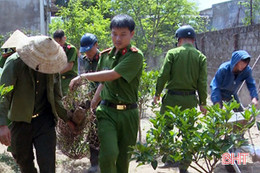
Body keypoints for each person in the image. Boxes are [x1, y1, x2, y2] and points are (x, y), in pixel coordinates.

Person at [69, 14, 144, 173]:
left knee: (124, 159)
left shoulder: (136, 56)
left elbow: (112, 75)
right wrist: (92, 106)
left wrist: (83, 76)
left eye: (123, 34)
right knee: (109, 154)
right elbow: (103, 84)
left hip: (129, 114)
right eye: (114, 34)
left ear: (132, 34)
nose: (117, 38)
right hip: (107, 112)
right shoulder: (105, 56)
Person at [0, 35, 76, 173]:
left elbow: (57, 97)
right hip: (20, 121)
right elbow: (3, 95)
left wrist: (67, 119)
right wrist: (2, 124)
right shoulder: (14, 63)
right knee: (24, 164)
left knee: (48, 166)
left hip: (44, 120)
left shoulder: (52, 66)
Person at [153, 25, 207, 173]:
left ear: (180, 39)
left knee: (166, 128)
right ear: (193, 40)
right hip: (190, 99)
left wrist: (157, 93)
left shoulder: (172, 53)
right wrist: (203, 103)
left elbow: (163, 74)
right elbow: (202, 82)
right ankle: (184, 166)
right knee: (188, 132)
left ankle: (170, 159)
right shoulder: (201, 57)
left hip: (171, 98)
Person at [78, 33, 100, 173]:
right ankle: (94, 164)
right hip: (92, 100)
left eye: (90, 49)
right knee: (92, 133)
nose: (88, 53)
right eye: (85, 50)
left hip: (105, 99)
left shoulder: (105, 58)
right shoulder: (85, 60)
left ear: (96, 45)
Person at [53, 29, 78, 96]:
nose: (59, 43)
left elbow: (69, 66)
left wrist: (55, 73)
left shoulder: (71, 49)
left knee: (68, 100)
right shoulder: (55, 50)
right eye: (56, 41)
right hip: (59, 79)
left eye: (60, 41)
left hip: (69, 79)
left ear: (65, 38)